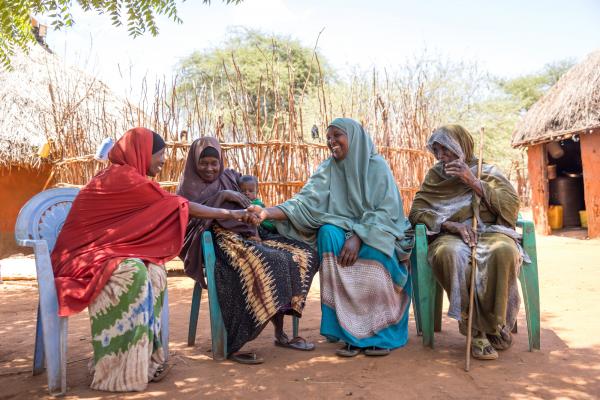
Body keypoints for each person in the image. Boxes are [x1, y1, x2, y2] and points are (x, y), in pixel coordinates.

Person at [51, 128, 254, 392]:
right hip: (81, 257)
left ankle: (145, 360)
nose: (162, 161)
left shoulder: (132, 178)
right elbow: (180, 206)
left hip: (103, 251)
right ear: (142, 154)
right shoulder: (124, 178)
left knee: (154, 270)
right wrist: (233, 213)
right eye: (159, 155)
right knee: (132, 272)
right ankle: (115, 372)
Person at [251, 118, 414, 358]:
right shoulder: (328, 168)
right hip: (346, 228)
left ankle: (379, 334)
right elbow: (303, 202)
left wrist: (359, 235)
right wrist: (266, 212)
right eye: (328, 137)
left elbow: (387, 211)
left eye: (337, 135)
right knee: (327, 232)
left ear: (354, 137)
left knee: (376, 248)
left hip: (380, 230)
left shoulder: (376, 166)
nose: (332, 142)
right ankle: (349, 332)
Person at [177, 137, 319, 364]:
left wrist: (253, 219)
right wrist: (223, 196)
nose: (210, 168)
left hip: (245, 235)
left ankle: (280, 333)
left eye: (215, 162)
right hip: (214, 243)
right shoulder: (187, 187)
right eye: (204, 163)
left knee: (299, 255)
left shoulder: (231, 177)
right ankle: (233, 342)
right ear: (194, 162)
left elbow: (250, 199)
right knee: (259, 263)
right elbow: (190, 223)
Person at [408, 124, 524, 361]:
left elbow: (511, 207)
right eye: (437, 151)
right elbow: (417, 211)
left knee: (502, 251)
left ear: (461, 147)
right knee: (452, 254)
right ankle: (475, 331)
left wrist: (472, 180)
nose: (441, 157)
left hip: (491, 231)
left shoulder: (486, 170)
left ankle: (494, 324)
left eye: (446, 150)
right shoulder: (435, 176)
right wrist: (449, 224)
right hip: (451, 234)